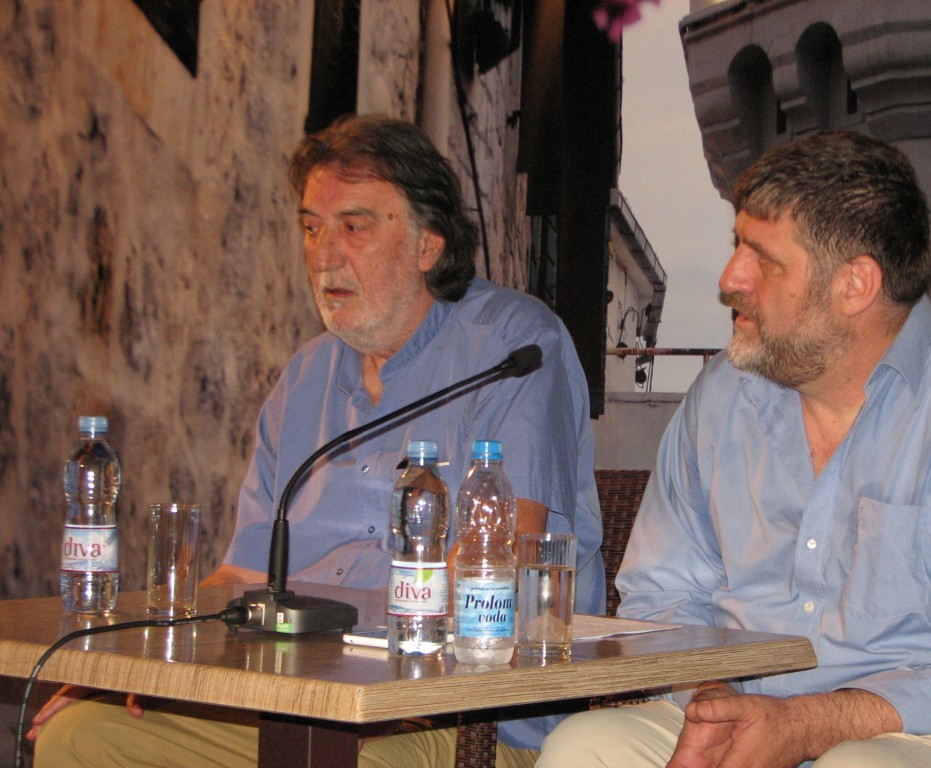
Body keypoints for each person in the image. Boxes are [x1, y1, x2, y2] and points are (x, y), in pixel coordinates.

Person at [29, 114, 604, 768]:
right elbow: (242, 576)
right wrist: (141, 660)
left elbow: (498, 558)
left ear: (426, 245)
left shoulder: (513, 346)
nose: (324, 255)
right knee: (81, 734)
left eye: (353, 227)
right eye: (311, 228)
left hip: (459, 719)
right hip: (295, 703)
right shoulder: (305, 377)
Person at [536, 130, 931, 768]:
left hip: (906, 727)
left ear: (855, 285)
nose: (729, 280)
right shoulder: (723, 394)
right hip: (736, 704)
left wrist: (809, 724)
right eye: (735, 245)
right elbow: (663, 596)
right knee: (583, 748)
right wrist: (713, 700)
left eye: (762, 259)